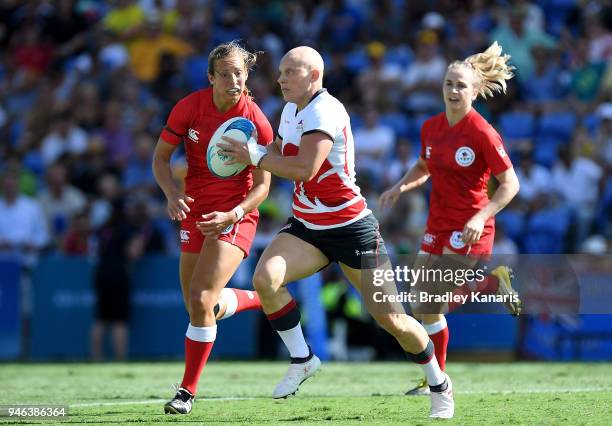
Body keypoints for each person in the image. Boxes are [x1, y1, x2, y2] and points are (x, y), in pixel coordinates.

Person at [219, 46, 454, 419]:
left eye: (289, 71)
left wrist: (254, 155)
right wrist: (243, 156)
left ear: (314, 75)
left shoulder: (326, 110)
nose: (280, 78)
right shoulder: (290, 109)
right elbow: (277, 152)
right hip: (308, 226)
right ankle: (303, 358)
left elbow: (304, 169)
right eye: (280, 71)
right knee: (266, 279)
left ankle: (440, 384)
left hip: (352, 229)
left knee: (393, 320)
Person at [378, 42, 522, 396]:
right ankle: (436, 377)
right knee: (420, 303)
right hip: (437, 225)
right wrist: (400, 187)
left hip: (470, 229)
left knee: (429, 303)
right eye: (449, 84)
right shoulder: (431, 127)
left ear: (474, 91)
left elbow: (511, 184)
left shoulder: (482, 133)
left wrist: (482, 214)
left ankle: (437, 381)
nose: (454, 90)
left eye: (461, 85)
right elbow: (424, 165)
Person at [152, 41, 273, 415]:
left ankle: (186, 392)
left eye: (239, 72)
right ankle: (254, 298)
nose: (233, 79)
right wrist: (172, 193)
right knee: (196, 305)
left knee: (203, 299)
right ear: (211, 77)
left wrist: (234, 214)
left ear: (246, 75)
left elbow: (263, 187)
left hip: (235, 216)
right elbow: (160, 157)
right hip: (196, 212)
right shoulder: (190, 107)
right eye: (225, 74)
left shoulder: (257, 122)